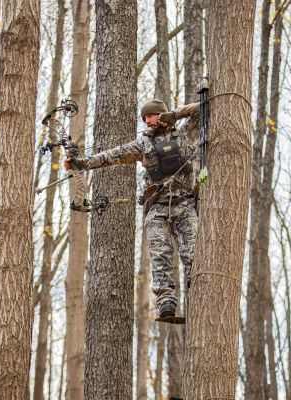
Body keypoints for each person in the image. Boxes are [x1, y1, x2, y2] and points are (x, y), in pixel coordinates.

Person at [64, 99, 200, 319]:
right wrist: (81, 163)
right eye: (144, 118)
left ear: (162, 114)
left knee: (193, 254)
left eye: (151, 115)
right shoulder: (143, 144)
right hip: (157, 208)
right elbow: (111, 156)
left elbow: (202, 108)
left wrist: (175, 114)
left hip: (185, 205)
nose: (147, 121)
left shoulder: (185, 133)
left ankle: (200, 300)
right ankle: (166, 302)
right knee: (161, 256)